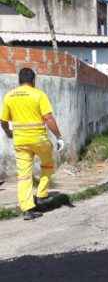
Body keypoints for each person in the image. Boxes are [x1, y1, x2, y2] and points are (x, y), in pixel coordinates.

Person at [0, 67, 64, 220]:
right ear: (33, 80)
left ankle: (27, 209)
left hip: (20, 141)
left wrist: (9, 133)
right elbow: (48, 118)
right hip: (39, 140)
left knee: (24, 176)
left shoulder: (9, 96)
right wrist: (59, 137)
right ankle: (41, 194)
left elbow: (3, 120)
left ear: (19, 80)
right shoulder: (38, 94)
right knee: (48, 164)